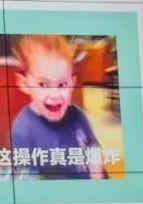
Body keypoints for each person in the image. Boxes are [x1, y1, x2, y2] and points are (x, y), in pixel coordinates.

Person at [10, 35, 106, 180]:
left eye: (62, 85)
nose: (54, 95)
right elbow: (28, 180)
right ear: (24, 84)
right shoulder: (23, 130)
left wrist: (96, 177)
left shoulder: (78, 115)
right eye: (43, 84)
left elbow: (92, 145)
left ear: (72, 83)